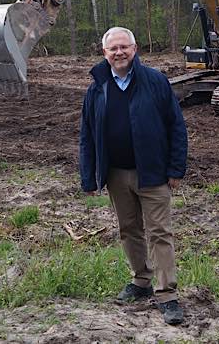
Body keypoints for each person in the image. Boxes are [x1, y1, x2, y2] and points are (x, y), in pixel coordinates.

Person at [79, 26, 188, 325]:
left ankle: (167, 295)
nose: (119, 53)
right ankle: (141, 281)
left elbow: (176, 127)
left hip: (152, 173)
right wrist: (89, 177)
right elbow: (87, 135)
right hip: (116, 174)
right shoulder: (97, 87)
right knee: (129, 230)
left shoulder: (155, 81)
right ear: (104, 53)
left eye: (124, 47)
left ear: (135, 48)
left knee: (160, 233)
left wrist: (176, 169)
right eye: (113, 49)